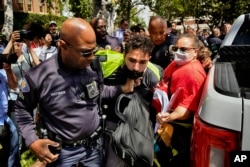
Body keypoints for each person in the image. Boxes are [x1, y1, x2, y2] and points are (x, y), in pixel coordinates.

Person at [14, 17, 135, 167]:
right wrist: (32, 140)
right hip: (62, 154)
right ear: (63, 45)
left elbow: (100, 91)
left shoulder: (93, 67)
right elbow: (21, 108)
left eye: (94, 51)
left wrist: (123, 88)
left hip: (94, 149)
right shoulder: (38, 76)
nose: (92, 58)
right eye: (85, 53)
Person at [102, 35, 163, 167]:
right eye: (132, 60)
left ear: (149, 60)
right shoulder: (108, 67)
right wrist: (122, 88)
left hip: (139, 130)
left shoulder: (154, 76)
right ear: (124, 56)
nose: (136, 67)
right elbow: (95, 91)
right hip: (111, 127)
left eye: (142, 62)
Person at [155, 33, 207, 167]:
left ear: (195, 52)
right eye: (176, 48)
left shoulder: (193, 73)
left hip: (177, 130)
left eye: (183, 49)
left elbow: (186, 110)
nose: (178, 52)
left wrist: (168, 117)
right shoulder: (178, 64)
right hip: (166, 123)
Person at [0, 55, 20, 166]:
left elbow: (14, 85)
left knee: (13, 148)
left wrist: (8, 70)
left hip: (4, 118)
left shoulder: (2, 72)